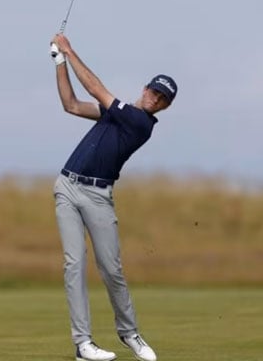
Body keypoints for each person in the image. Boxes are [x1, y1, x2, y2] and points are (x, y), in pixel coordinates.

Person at [49, 33, 177, 361]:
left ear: (164, 106)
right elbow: (71, 104)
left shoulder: (140, 123)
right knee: (73, 264)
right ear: (145, 88)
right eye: (154, 91)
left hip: (97, 197)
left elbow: (94, 88)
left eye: (162, 99)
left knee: (111, 268)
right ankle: (83, 345)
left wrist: (70, 49)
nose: (155, 99)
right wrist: (59, 62)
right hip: (67, 186)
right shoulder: (116, 114)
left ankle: (129, 333)